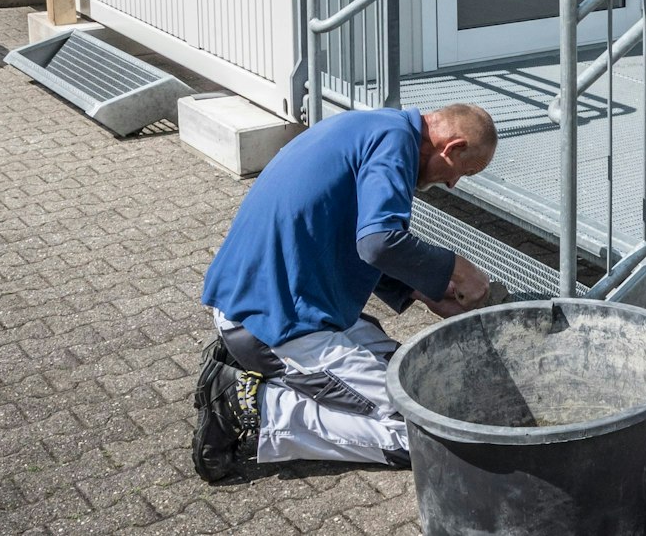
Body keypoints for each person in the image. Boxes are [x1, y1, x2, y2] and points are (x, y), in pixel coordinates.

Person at [192, 102, 500, 481]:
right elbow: (378, 243)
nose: (452, 184)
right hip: (277, 321)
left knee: (419, 385)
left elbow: (359, 236)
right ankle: (252, 406)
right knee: (429, 434)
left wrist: (421, 292)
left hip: (287, 301)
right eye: (462, 172)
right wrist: (458, 268)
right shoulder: (395, 144)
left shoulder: (378, 127)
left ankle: (264, 370)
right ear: (450, 148)